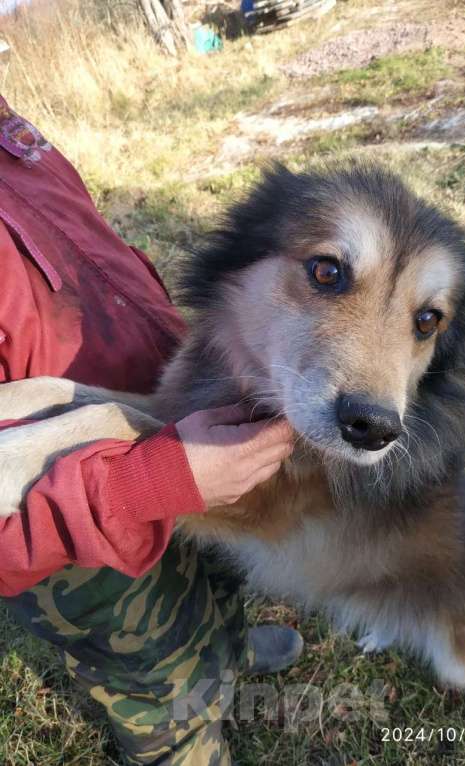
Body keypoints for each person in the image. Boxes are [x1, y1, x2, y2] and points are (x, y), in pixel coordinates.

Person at [0, 94, 302, 765]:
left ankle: (222, 653)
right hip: (76, 530)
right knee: (158, 676)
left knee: (215, 575)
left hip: (168, 418)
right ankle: (184, 714)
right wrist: (149, 483)